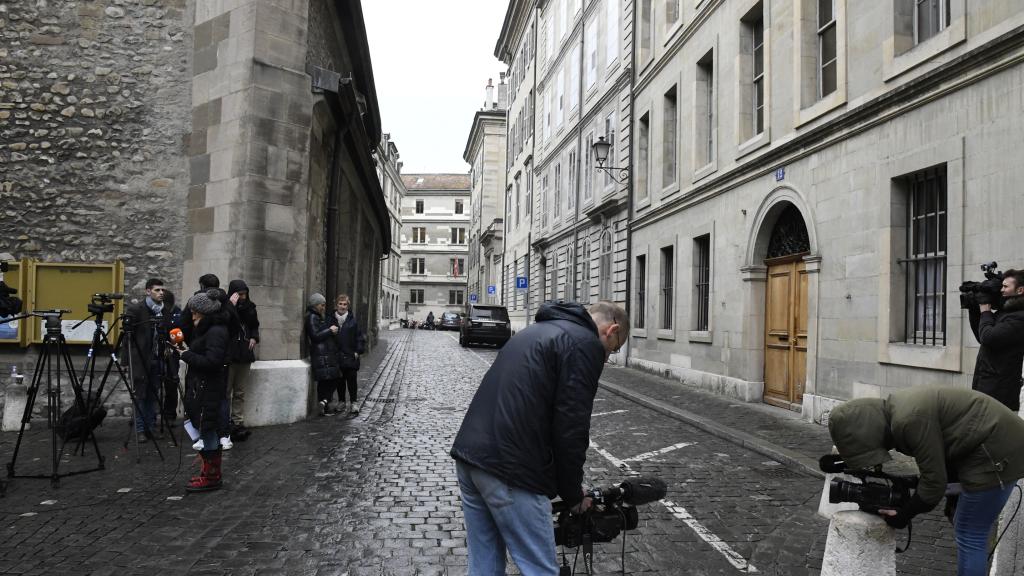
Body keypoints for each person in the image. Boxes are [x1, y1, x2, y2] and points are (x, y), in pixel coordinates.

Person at [450, 300, 628, 575]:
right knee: (540, 570)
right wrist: (572, 495)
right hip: (511, 468)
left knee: (483, 566)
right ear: (611, 330)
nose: (607, 358)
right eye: (613, 350)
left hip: (470, 456)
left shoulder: (536, 330)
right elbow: (571, 428)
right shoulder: (584, 344)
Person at [828, 387, 1024, 576]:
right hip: (989, 447)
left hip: (998, 453)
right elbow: (943, 454)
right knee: (965, 526)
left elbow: (934, 484)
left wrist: (904, 514)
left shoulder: (908, 420)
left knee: (970, 533)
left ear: (865, 432)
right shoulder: (898, 410)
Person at [174, 289, 230, 492]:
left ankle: (212, 476)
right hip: (203, 387)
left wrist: (186, 355)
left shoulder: (216, 331)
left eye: (195, 311)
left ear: (204, 313)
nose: (192, 315)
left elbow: (212, 361)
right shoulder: (206, 329)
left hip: (210, 388)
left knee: (208, 429)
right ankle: (208, 473)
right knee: (205, 427)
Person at [968, 268, 1024, 410]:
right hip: (987, 383)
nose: (1001, 290)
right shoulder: (1005, 312)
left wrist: (986, 311)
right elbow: (982, 336)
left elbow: (988, 337)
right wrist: (975, 309)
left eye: (1005, 286)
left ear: (1020, 290)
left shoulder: (1019, 317)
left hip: (1000, 391)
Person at [123, 278, 169, 442]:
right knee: (140, 396)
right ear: (148, 291)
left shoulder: (163, 311)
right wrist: (126, 362)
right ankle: (140, 429)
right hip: (140, 360)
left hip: (156, 359)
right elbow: (126, 338)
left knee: (153, 395)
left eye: (162, 290)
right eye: (157, 290)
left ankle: (151, 427)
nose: (161, 293)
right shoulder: (136, 310)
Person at [225, 279, 259, 441]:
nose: (243, 297)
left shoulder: (250, 307)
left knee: (240, 391)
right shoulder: (226, 306)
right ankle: (224, 421)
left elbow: (254, 325)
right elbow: (225, 322)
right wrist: (231, 306)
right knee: (226, 391)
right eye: (240, 294)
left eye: (244, 294)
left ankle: (237, 421)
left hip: (244, 352)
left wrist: (254, 337)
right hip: (230, 354)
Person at [306, 293, 341, 416]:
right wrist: (330, 331)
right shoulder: (312, 317)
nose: (323, 307)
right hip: (321, 354)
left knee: (330, 379)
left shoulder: (317, 316)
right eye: (322, 305)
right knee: (328, 380)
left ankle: (324, 403)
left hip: (325, 353)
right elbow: (315, 336)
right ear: (315, 305)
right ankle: (324, 404)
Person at [333, 294, 365, 415]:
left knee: (352, 380)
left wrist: (358, 351)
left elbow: (359, 338)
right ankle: (341, 402)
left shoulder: (353, 320)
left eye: (345, 304)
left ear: (348, 306)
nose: (342, 306)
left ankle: (354, 402)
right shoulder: (331, 319)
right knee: (340, 381)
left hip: (351, 356)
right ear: (336, 305)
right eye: (340, 304)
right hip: (337, 356)